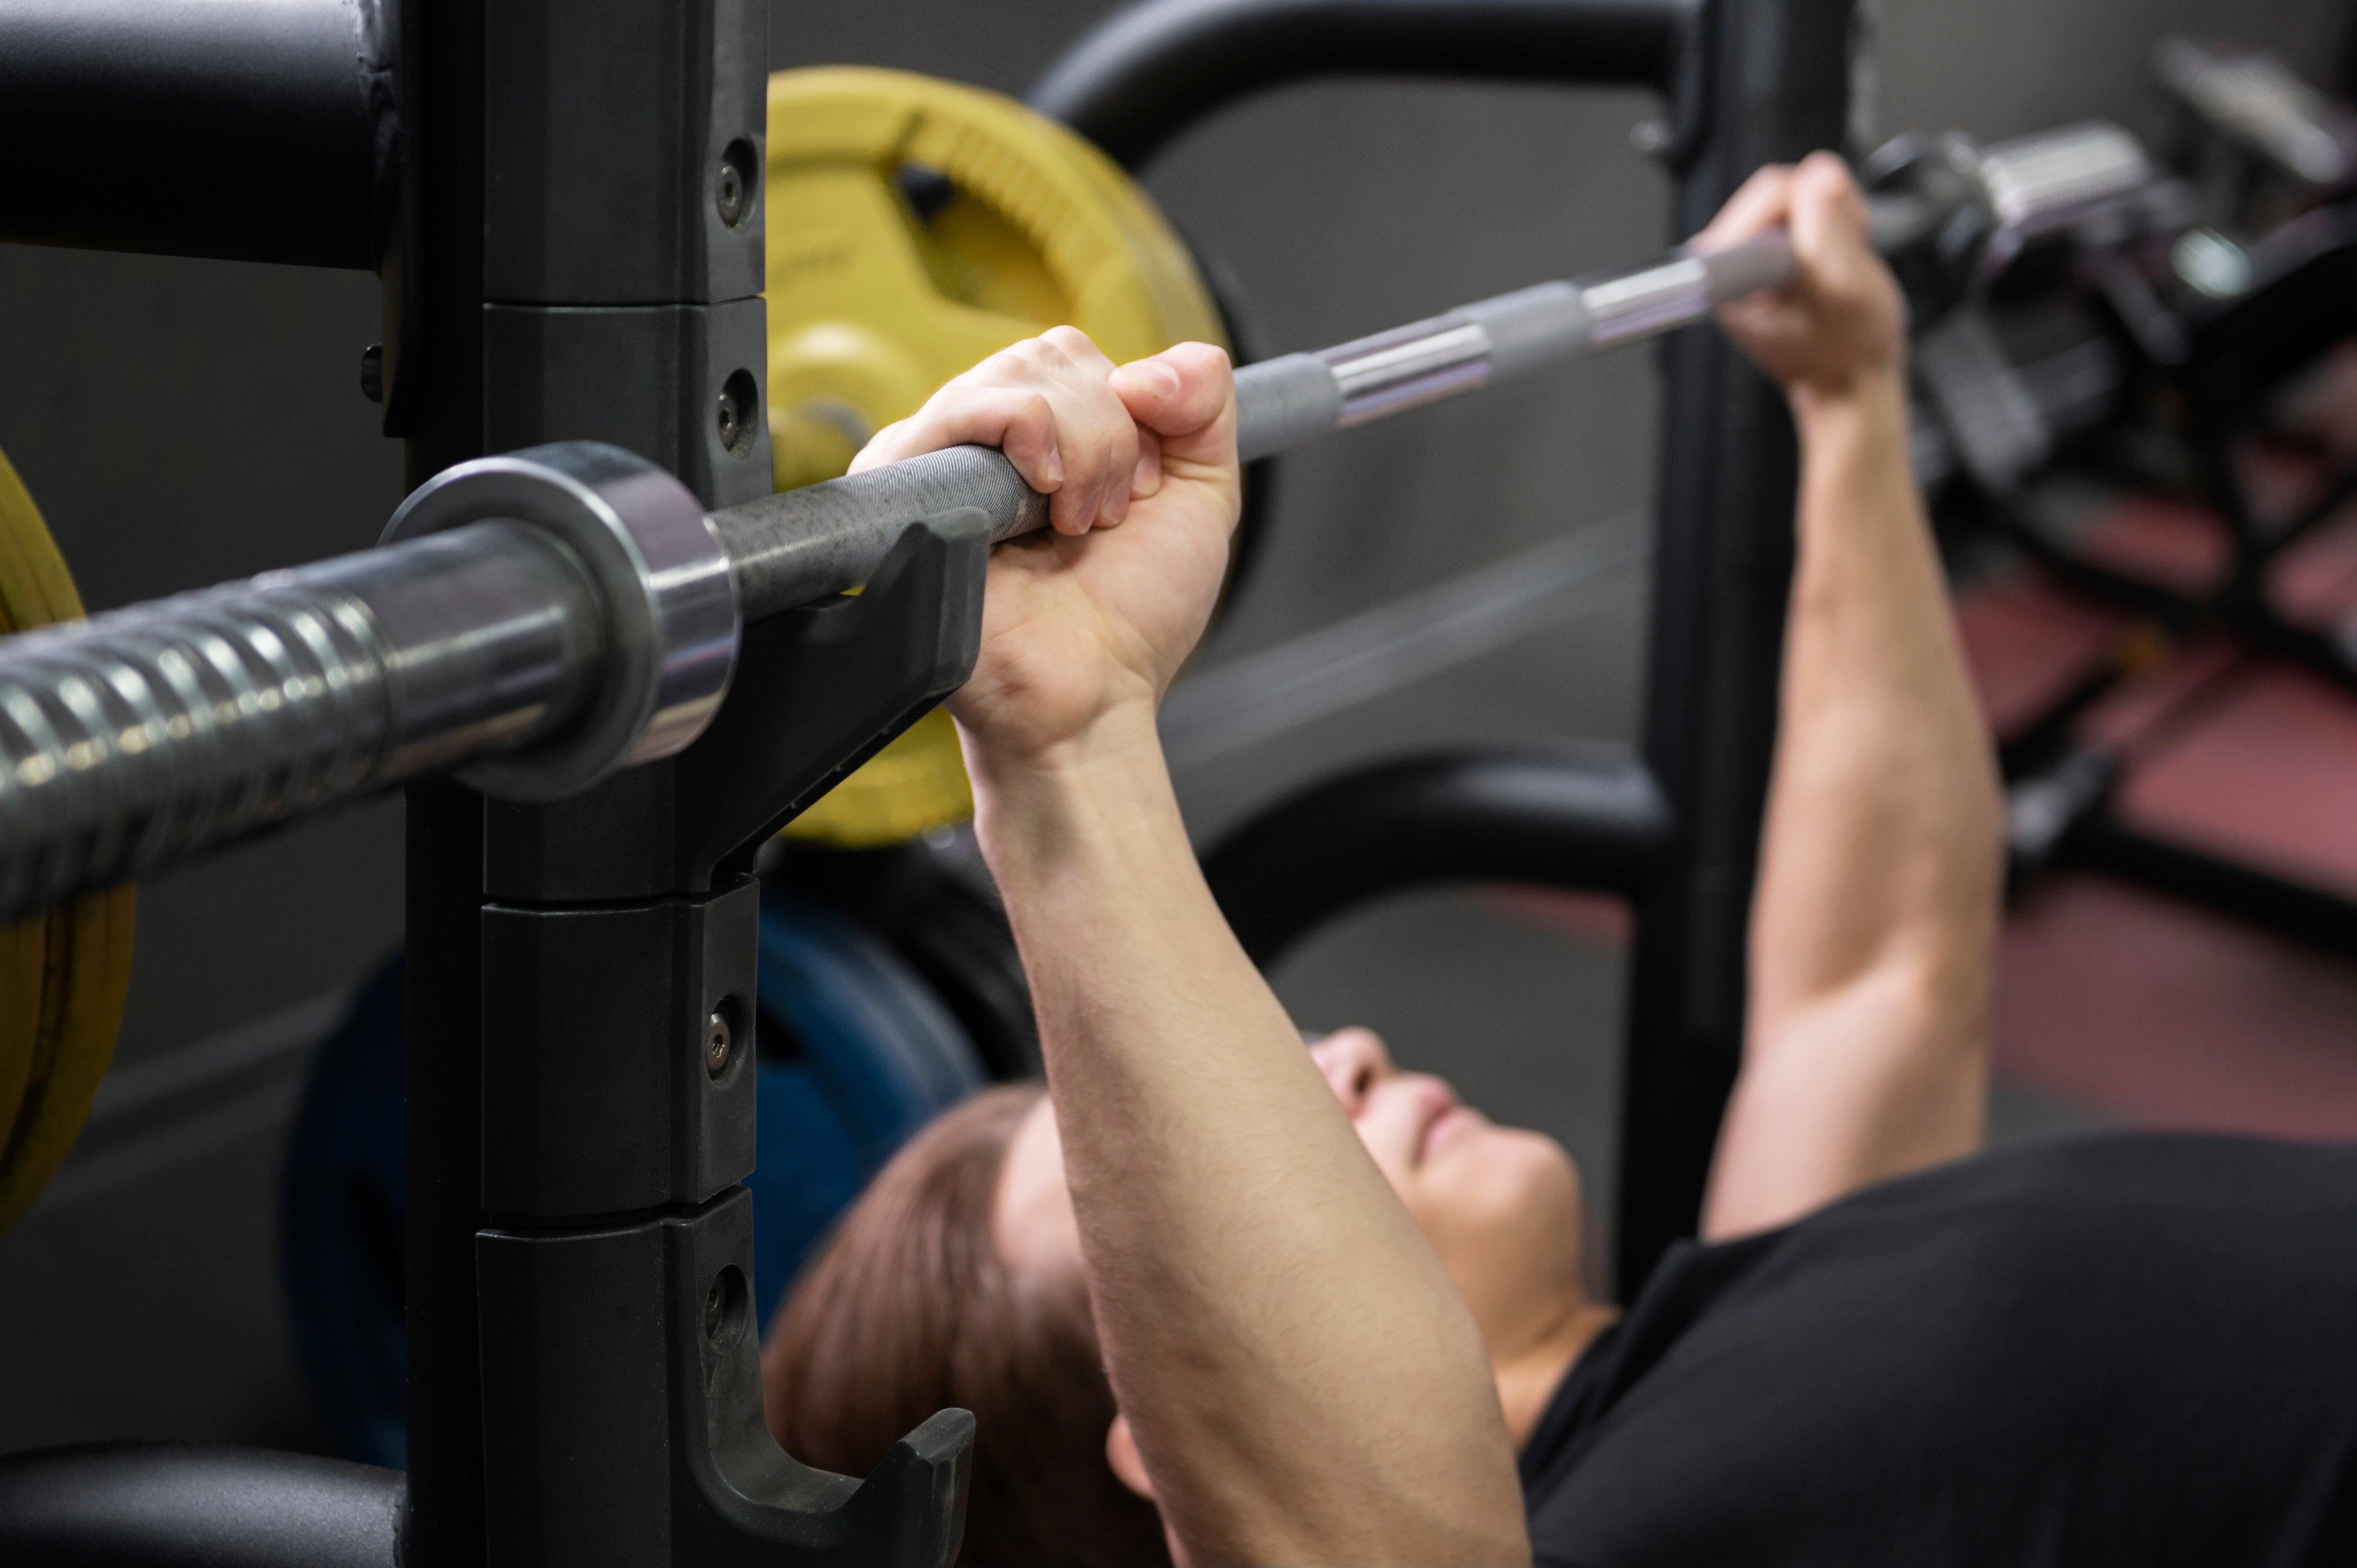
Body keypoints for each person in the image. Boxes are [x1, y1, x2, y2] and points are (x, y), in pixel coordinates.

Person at [761, 156, 2357, 1567]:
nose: (1344, 1056)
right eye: (1122, 1175)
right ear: (1162, 1446)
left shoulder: (1722, 1338)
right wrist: (1064, 743)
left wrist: (1847, 401)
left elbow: (1880, 977)